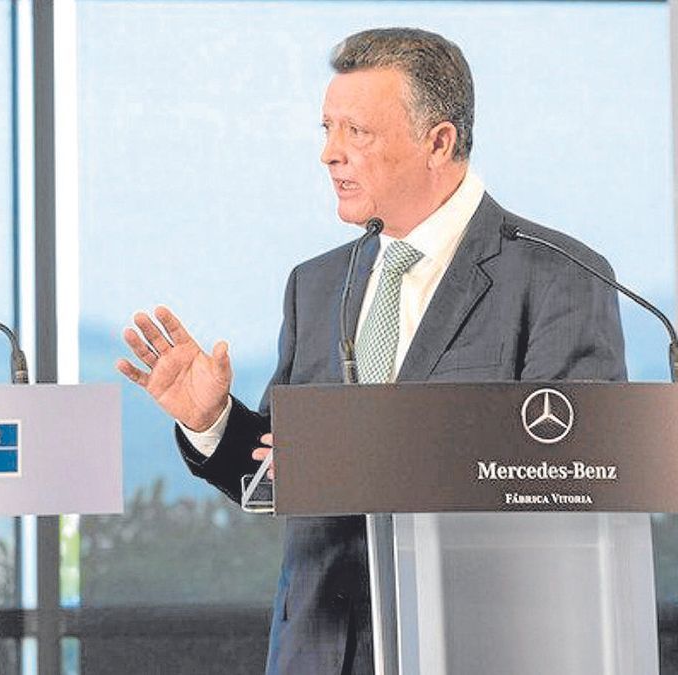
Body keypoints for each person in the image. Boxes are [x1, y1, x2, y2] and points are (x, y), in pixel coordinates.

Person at [117, 28, 626, 675]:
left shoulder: (559, 275)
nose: (330, 154)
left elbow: (574, 476)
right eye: (326, 129)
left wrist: (378, 454)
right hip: (323, 648)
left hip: (480, 643)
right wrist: (213, 422)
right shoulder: (316, 284)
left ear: (437, 141)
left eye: (357, 132)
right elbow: (284, 479)